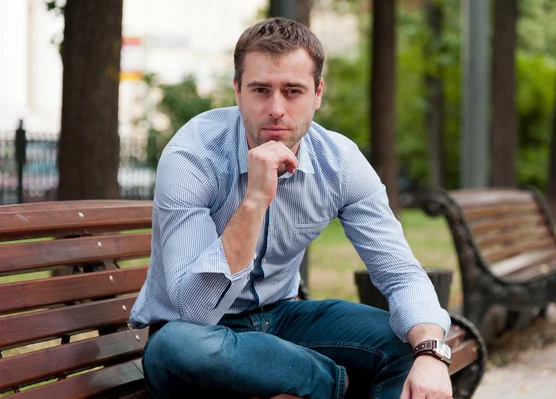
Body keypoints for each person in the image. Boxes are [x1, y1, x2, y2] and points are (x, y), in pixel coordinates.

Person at [129, 16, 453, 399]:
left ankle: (308, 374)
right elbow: (195, 312)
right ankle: (336, 384)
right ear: (237, 91)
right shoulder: (192, 156)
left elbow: (400, 274)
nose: (276, 108)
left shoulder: (341, 163)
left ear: (318, 94)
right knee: (176, 347)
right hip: (202, 336)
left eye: (293, 91)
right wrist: (253, 201)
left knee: (408, 343)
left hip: (283, 318)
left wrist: (432, 351)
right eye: (261, 90)